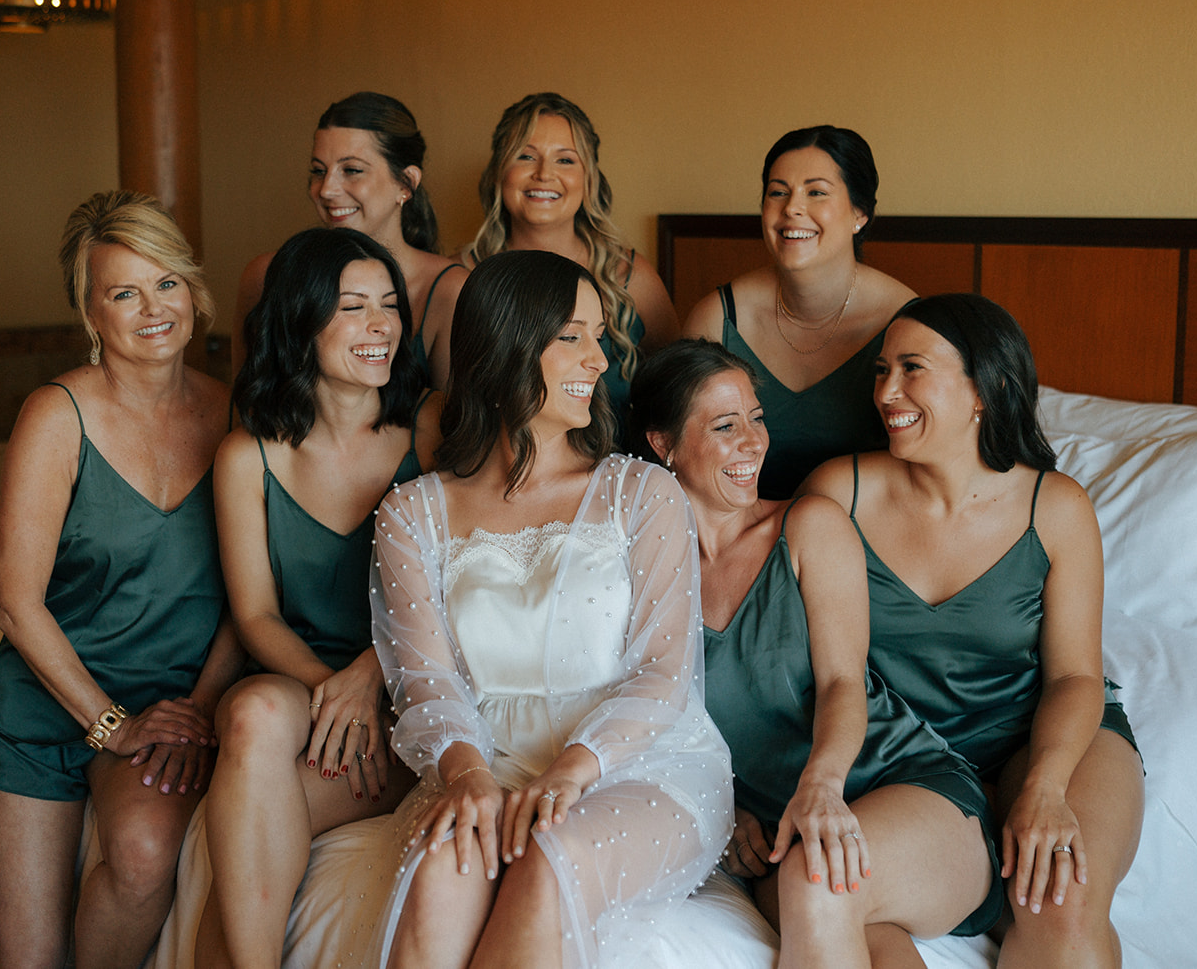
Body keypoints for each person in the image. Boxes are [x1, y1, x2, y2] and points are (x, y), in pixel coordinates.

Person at [369, 251, 731, 968]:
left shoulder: (643, 494)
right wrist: (470, 775)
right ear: (508, 341)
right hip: (486, 759)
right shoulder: (412, 514)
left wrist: (569, 772)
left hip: (638, 764)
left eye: (599, 335)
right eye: (574, 334)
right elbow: (426, 682)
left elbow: (663, 673)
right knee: (443, 872)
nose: (599, 359)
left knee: (546, 854)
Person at [631, 338, 999, 967]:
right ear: (663, 445)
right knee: (865, 935)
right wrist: (724, 812)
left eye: (757, 418)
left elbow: (842, 684)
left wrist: (823, 787)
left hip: (904, 789)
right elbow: (641, 720)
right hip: (780, 832)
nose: (753, 442)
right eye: (726, 426)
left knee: (817, 881)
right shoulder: (636, 572)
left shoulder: (809, 526)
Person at [804, 294, 1144, 968]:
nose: (886, 391)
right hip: (903, 757)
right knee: (846, 898)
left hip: (1045, 737)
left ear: (987, 389)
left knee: (1063, 905)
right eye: (880, 370)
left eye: (911, 368)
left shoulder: (1057, 508)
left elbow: (1075, 675)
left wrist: (1045, 788)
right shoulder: (840, 492)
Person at [0, 190, 245, 969]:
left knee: (140, 860)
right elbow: (12, 601)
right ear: (92, 316)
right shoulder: (56, 414)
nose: (151, 306)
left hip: (164, 699)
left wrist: (198, 705)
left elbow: (249, 596)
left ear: (194, 294)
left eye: (166, 282)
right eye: (122, 292)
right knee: (24, 955)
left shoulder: (234, 417)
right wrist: (109, 724)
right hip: (47, 699)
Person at [196, 227, 440, 967]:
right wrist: (335, 691)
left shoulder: (429, 429)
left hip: (409, 684)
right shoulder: (247, 454)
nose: (381, 326)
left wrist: (371, 677)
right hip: (304, 678)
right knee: (249, 712)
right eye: (353, 306)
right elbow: (255, 615)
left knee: (244, 835)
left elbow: (460, 589)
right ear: (301, 319)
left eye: (390, 305)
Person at [683, 126, 914, 499]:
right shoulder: (716, 320)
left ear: (860, 213)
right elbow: (683, 458)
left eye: (816, 192)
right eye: (778, 192)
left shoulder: (909, 325)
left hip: (868, 538)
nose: (792, 207)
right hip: (738, 535)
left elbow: (932, 471)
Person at [467, 92, 679, 440]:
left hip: (620, 482)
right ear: (498, 173)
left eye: (565, 160)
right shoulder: (458, 278)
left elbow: (678, 394)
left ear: (589, 177)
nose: (543, 174)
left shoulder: (629, 275)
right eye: (525, 156)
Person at [234, 92, 465, 389]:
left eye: (352, 170)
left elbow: (459, 424)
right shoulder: (266, 274)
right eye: (319, 171)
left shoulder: (450, 290)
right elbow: (244, 403)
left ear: (406, 183)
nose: (326, 189)